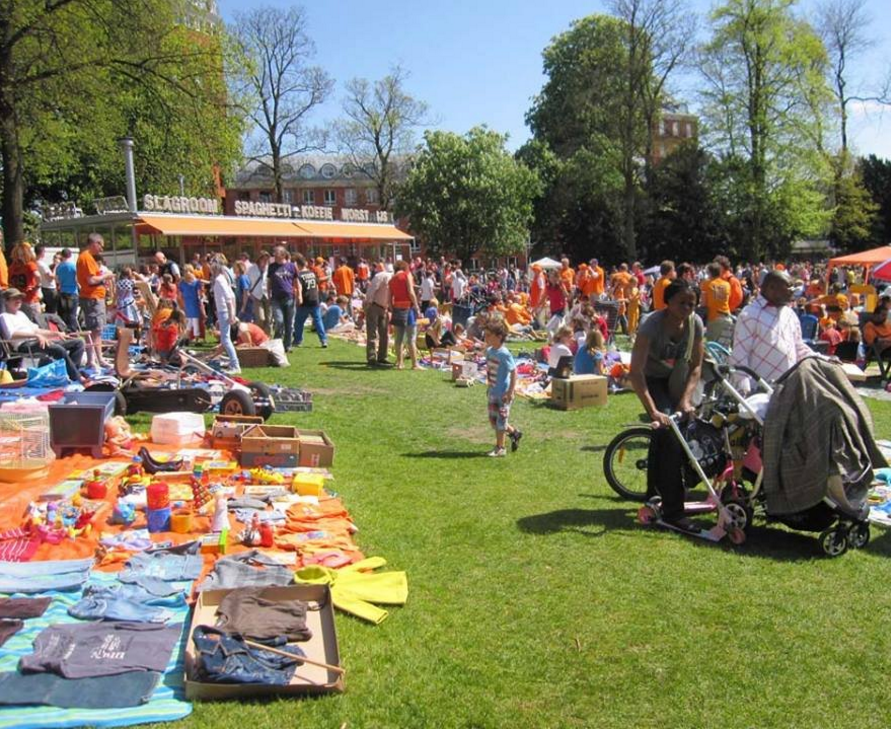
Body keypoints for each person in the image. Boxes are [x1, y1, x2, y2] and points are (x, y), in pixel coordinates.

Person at [629, 279, 705, 531]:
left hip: (678, 378)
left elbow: (696, 366)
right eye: (681, 302)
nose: (687, 308)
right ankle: (673, 511)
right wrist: (652, 410)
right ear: (668, 302)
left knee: (675, 432)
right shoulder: (651, 325)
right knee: (671, 435)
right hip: (651, 379)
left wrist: (685, 399)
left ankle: (654, 494)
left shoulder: (695, 323)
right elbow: (635, 372)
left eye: (692, 304)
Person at [730, 270, 813, 384]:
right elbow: (740, 355)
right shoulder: (750, 315)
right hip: (760, 388)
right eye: (789, 288)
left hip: (788, 387)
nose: (792, 292)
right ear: (772, 288)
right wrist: (743, 387)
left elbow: (799, 347)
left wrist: (823, 359)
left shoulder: (790, 314)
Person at [0, 288, 88, 383]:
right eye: (14, 299)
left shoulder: (21, 314)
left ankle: (72, 374)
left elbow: (37, 330)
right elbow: (12, 335)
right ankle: (77, 377)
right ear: (7, 301)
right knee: (58, 349)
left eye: (19, 298)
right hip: (24, 345)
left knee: (78, 343)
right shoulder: (4, 316)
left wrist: (55, 333)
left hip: (36, 341)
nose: (18, 301)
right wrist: (36, 336)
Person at [484, 318, 522, 457]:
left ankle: (500, 448)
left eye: (489, 335)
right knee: (494, 421)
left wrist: (510, 392)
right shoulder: (489, 351)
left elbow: (514, 371)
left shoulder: (504, 353)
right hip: (493, 392)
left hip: (503, 394)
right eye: (485, 334)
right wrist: (489, 386)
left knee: (501, 421)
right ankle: (515, 433)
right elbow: (490, 370)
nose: (486, 338)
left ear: (499, 336)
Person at [76, 233, 114, 368]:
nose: (101, 249)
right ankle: (97, 359)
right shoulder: (86, 258)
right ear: (94, 243)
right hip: (92, 297)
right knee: (96, 330)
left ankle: (93, 359)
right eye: (101, 246)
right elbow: (91, 280)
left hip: (93, 297)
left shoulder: (87, 257)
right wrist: (106, 276)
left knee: (94, 330)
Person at [388, 259, 420, 370]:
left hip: (397, 309)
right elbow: (411, 292)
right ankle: (414, 364)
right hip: (408, 309)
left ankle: (400, 363)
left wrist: (393, 309)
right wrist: (416, 306)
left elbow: (389, 299)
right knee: (411, 338)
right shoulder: (407, 275)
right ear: (405, 267)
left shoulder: (391, 280)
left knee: (398, 338)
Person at [211, 257, 240, 374]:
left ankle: (235, 364)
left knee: (225, 339)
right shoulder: (223, 278)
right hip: (223, 311)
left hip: (224, 311)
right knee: (225, 339)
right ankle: (233, 362)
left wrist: (231, 314)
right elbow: (232, 296)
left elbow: (229, 298)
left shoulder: (219, 279)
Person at [293, 253, 328, 348]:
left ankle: (298, 340)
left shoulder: (299, 275)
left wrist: (298, 298)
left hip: (305, 300)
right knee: (318, 321)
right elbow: (316, 286)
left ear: (298, 265)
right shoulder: (312, 273)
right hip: (315, 299)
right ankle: (323, 340)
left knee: (298, 322)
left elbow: (299, 287)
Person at [268, 246, 297, 351]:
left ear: (283, 255)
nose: (274, 255)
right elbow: (269, 282)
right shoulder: (272, 267)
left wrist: (299, 295)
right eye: (274, 253)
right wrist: (268, 294)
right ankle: (277, 343)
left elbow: (296, 281)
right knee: (279, 321)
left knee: (289, 323)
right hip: (276, 298)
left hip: (289, 298)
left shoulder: (291, 266)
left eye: (276, 253)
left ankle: (287, 345)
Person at [365, 265, 392, 366]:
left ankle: (382, 357)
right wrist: (369, 302)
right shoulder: (381, 276)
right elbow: (372, 290)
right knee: (372, 333)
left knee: (384, 334)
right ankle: (372, 358)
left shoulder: (389, 278)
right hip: (374, 306)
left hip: (383, 308)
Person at [701, 262, 733, 343]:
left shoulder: (706, 284)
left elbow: (703, 303)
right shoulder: (727, 284)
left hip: (714, 317)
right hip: (727, 316)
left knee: (712, 346)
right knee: (725, 345)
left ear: (710, 273)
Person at [8, 242, 40, 321]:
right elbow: (38, 276)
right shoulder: (27, 265)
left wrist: (37, 287)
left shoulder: (27, 265)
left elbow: (38, 276)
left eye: (22, 255)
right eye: (19, 255)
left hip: (25, 299)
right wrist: (37, 286)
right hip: (25, 299)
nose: (20, 257)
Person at [245, 250, 271, 331]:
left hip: (268, 295)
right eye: (264, 259)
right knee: (260, 318)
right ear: (259, 259)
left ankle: (267, 336)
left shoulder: (269, 268)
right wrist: (249, 293)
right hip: (256, 296)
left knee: (269, 319)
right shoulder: (251, 269)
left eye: (267, 260)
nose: (266, 261)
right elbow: (247, 282)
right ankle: (258, 333)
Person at [55, 248, 79, 331]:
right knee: (72, 314)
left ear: (62, 255)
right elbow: (77, 279)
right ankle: (72, 331)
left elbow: (57, 280)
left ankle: (63, 330)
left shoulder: (59, 267)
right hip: (72, 291)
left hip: (62, 292)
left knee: (63, 314)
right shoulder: (73, 267)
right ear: (70, 255)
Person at [177, 267, 203, 343]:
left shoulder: (196, 282)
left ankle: (192, 337)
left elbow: (200, 293)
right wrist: (181, 305)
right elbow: (180, 296)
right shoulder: (182, 284)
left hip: (193, 303)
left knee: (193, 321)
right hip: (188, 303)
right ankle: (188, 337)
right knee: (190, 321)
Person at [35, 245, 57, 315]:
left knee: (48, 309)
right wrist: (56, 267)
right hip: (49, 288)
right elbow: (50, 277)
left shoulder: (35, 262)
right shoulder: (42, 264)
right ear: (42, 252)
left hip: (44, 286)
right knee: (52, 310)